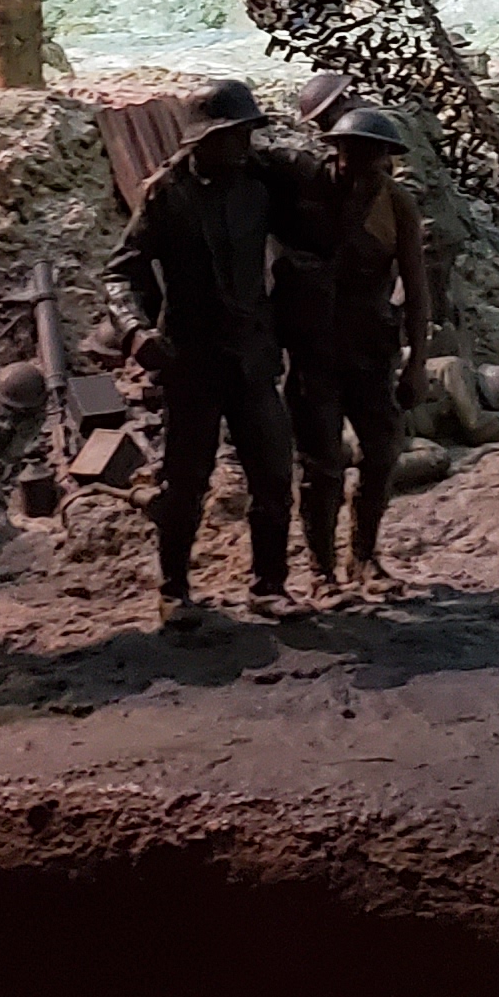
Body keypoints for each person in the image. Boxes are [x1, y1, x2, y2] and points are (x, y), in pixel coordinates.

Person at [109, 76, 313, 620]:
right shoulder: (165, 193)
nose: (245, 143)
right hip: (191, 361)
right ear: (205, 138)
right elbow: (119, 273)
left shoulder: (260, 184)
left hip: (252, 355)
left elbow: (312, 226)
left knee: (273, 474)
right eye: (236, 134)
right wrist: (135, 332)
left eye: (249, 133)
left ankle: (269, 584)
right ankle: (173, 589)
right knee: (184, 482)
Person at [277, 103, 431, 587]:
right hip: (314, 350)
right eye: (353, 153)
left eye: (374, 156)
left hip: (370, 348)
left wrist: (417, 363)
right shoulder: (304, 190)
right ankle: (321, 570)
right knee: (320, 466)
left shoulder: (395, 202)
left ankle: (364, 556)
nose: (363, 165)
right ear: (337, 150)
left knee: (381, 455)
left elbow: (416, 286)